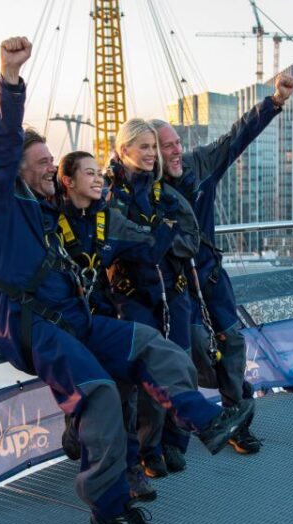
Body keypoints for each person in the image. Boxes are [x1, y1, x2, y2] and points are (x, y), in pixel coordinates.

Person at [0, 37, 252, 524]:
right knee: (98, 393)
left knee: (153, 346)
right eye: (41, 163)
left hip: (70, 319)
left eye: (53, 162)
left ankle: (204, 419)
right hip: (33, 327)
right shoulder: (1, 206)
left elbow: (101, 226)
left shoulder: (46, 211)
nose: (49, 170)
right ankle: (110, 508)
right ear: (14, 172)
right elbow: (3, 147)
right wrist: (9, 79)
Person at [150, 72, 293, 457]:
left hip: (211, 277)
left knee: (232, 342)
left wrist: (274, 102)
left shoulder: (199, 165)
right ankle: (186, 429)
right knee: (195, 350)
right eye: (167, 147)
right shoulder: (144, 193)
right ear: (150, 153)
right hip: (177, 288)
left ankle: (238, 421)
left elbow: (237, 137)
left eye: (177, 143)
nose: (177, 151)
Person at [55, 150, 180, 501]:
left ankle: (129, 468)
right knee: (92, 392)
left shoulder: (107, 220)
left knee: (123, 391)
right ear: (67, 181)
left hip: (103, 318)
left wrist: (168, 222)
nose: (99, 179)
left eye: (100, 173)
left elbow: (148, 249)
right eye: (90, 173)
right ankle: (78, 432)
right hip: (66, 325)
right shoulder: (48, 218)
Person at [104, 119, 203, 478]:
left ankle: (175, 443)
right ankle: (148, 448)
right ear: (123, 150)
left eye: (152, 147)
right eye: (142, 147)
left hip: (172, 295)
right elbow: (124, 246)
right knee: (145, 373)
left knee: (182, 366)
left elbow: (190, 239)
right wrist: (158, 236)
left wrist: (153, 240)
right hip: (132, 297)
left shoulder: (164, 193)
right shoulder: (110, 195)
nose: (150, 154)